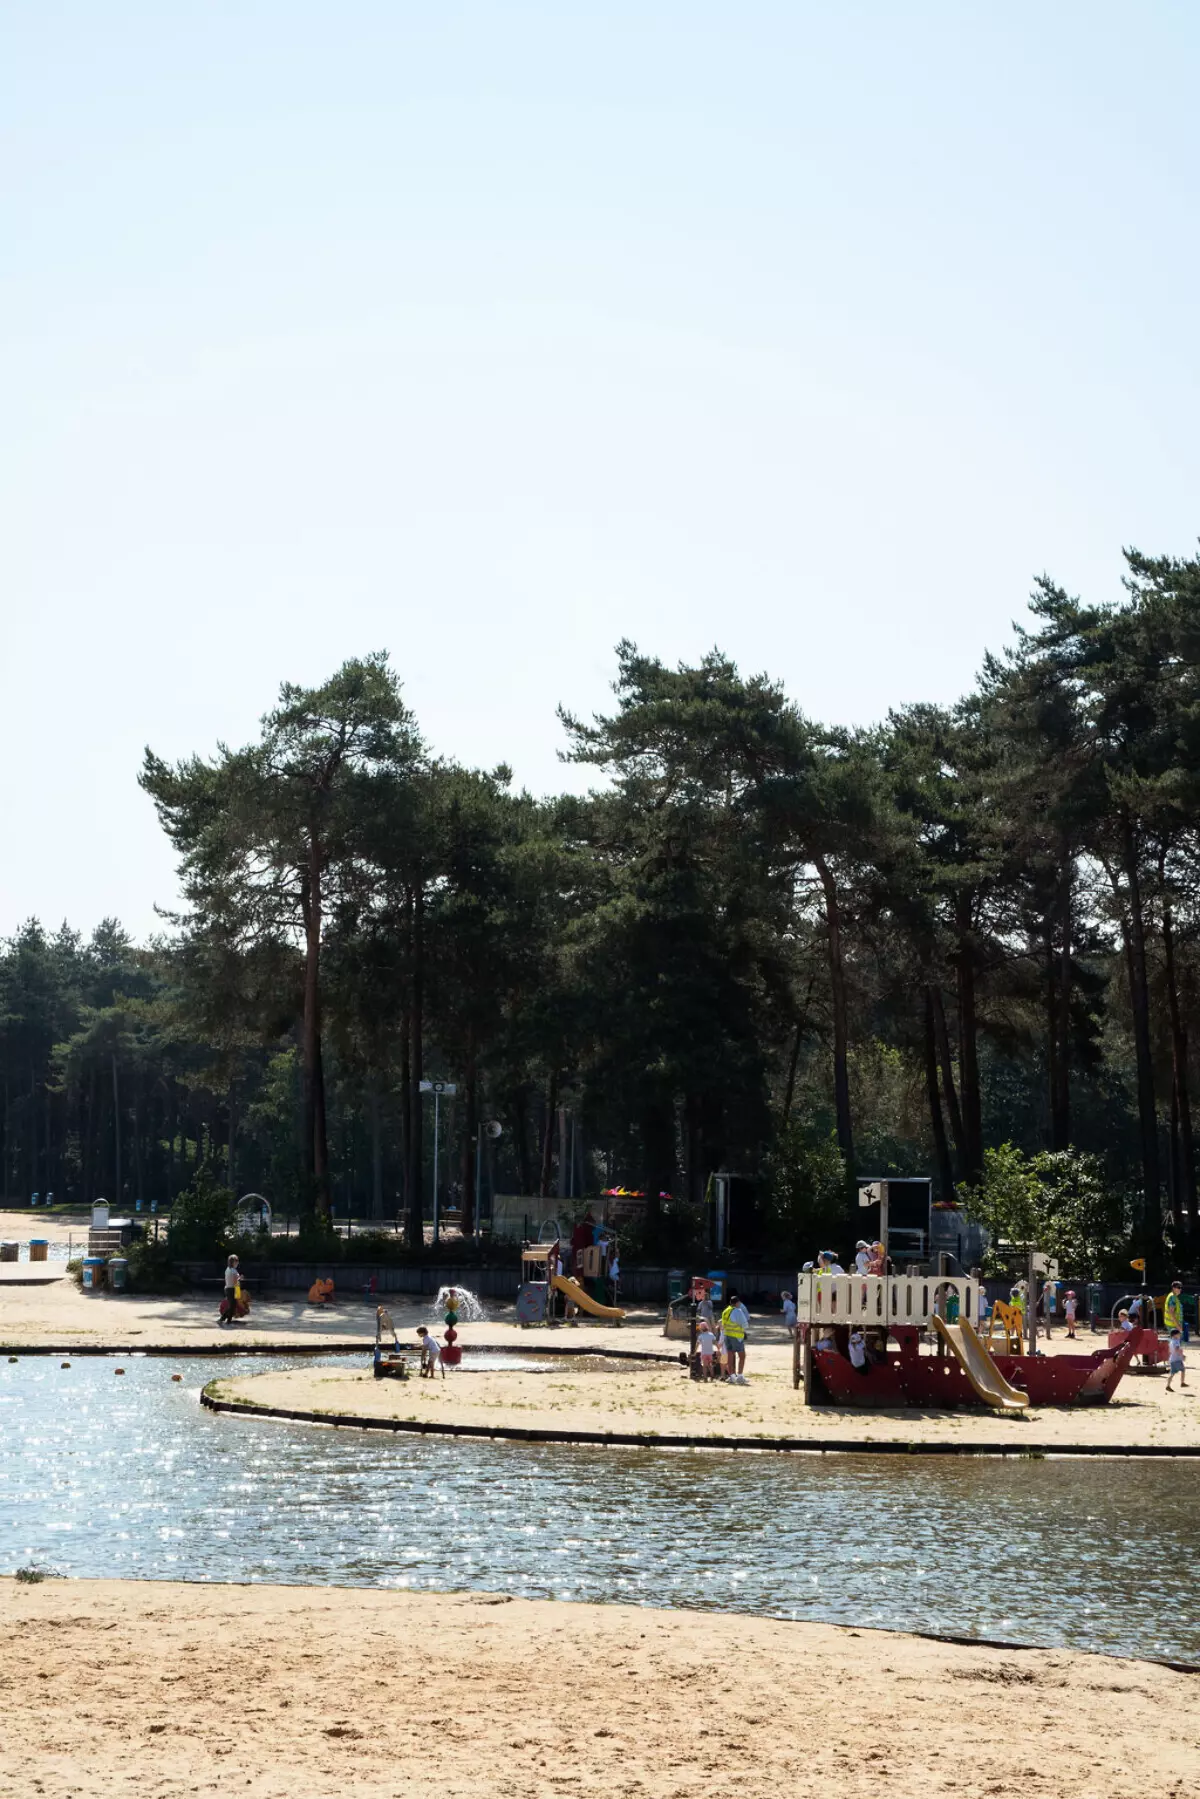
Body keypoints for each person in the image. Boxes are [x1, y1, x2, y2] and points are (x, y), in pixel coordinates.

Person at [721, 1291, 750, 1383]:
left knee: (730, 1355)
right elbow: (745, 1325)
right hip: (737, 1336)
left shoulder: (725, 1311)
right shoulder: (738, 1311)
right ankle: (740, 1376)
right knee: (742, 1356)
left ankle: (732, 1376)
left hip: (727, 1335)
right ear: (737, 1303)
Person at [219, 1255, 241, 1326]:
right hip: (232, 1289)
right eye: (236, 1261)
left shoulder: (227, 1269)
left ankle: (223, 1319)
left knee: (231, 1305)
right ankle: (227, 1320)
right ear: (233, 1262)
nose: (237, 1263)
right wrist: (239, 1279)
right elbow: (235, 1282)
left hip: (227, 1288)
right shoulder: (233, 1270)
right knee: (232, 1306)